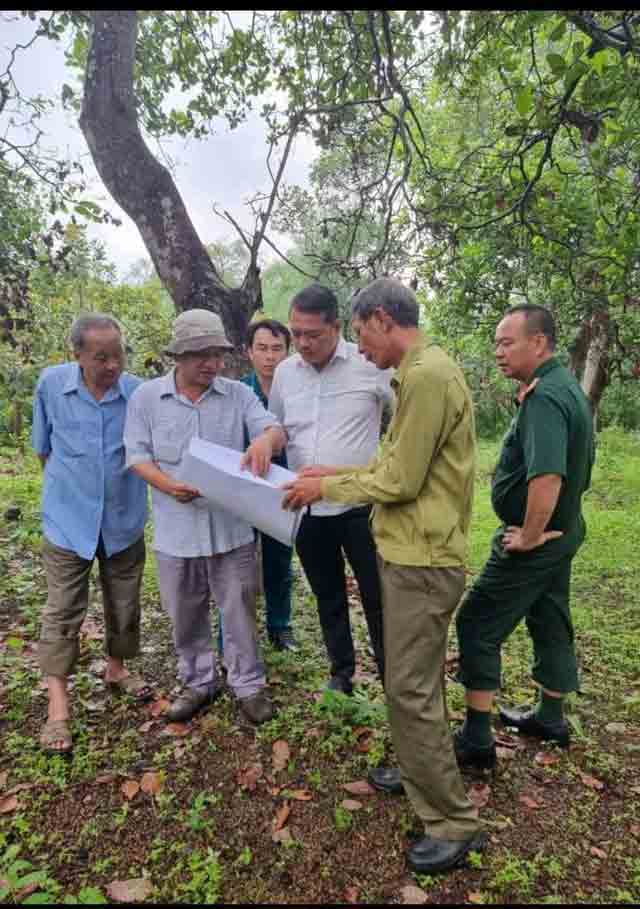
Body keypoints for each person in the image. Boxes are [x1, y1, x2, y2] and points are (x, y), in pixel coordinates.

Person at [283, 278, 485, 874]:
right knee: (410, 678)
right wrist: (335, 470)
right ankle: (420, 766)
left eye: (358, 331)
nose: (358, 346)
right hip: (411, 551)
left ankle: (452, 821)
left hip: (423, 558)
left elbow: (399, 483)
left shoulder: (425, 376)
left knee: (410, 687)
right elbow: (397, 461)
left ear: (380, 319)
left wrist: (327, 486)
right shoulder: (422, 371)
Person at [124, 308, 286, 725]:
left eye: (217, 353)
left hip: (231, 530)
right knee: (186, 612)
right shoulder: (147, 398)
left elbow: (272, 428)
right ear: (177, 356)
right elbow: (137, 456)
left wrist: (265, 441)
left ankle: (248, 684)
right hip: (176, 533)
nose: (211, 363)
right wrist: (167, 484)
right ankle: (198, 680)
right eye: (201, 355)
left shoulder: (237, 395)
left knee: (239, 609)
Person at [454, 304, 595, 768]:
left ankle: (476, 738)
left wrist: (530, 535)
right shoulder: (561, 387)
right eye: (496, 342)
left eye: (506, 341)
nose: (497, 351)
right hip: (566, 531)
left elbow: (547, 478)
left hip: (539, 539)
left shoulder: (545, 399)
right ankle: (551, 716)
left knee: (476, 620)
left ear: (539, 343)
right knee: (549, 615)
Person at [32, 314, 150, 757]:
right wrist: (75, 493)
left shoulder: (137, 393)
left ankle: (117, 669)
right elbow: (44, 449)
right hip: (68, 521)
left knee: (124, 601)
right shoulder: (51, 386)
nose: (112, 365)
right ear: (77, 355)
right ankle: (58, 707)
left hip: (122, 518)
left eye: (118, 354)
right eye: (100, 356)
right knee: (63, 608)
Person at [269, 284, 392, 694]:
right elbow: (279, 429)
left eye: (312, 334)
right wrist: (263, 442)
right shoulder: (286, 373)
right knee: (328, 594)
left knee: (378, 596)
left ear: (336, 327)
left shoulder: (371, 364)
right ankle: (342, 672)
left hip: (361, 506)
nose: (302, 343)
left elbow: (401, 427)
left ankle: (392, 673)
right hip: (307, 507)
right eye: (296, 333)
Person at [241, 319, 296, 651]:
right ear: (249, 352)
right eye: (261, 348)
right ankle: (234, 630)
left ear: (287, 352)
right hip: (245, 489)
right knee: (238, 564)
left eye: (277, 349)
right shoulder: (238, 392)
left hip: (285, 488)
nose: (269, 357)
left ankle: (280, 625)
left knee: (279, 560)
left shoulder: (297, 391)